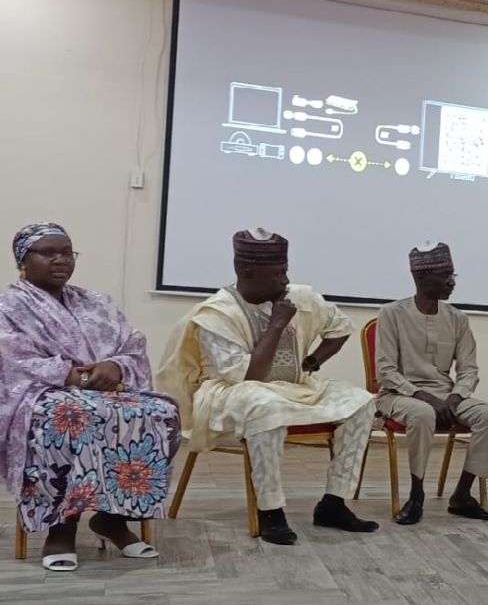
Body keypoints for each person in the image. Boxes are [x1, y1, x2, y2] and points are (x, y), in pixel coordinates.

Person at [156, 228, 378, 545]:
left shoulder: (299, 297)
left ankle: (334, 502)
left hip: (294, 387)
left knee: (361, 401)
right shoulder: (217, 312)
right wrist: (277, 323)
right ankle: (270, 511)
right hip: (229, 393)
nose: (284, 280)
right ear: (247, 272)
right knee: (265, 405)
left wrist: (312, 362)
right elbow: (250, 375)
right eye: (276, 274)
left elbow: (340, 327)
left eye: (284, 271)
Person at [0, 223, 179, 571]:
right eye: (48, 253)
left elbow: (132, 343)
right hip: (42, 394)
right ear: (23, 259)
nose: (61, 260)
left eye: (67, 252)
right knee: (68, 415)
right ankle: (61, 527)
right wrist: (66, 375)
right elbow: (11, 357)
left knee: (159, 412)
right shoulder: (8, 305)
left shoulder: (96, 302)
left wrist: (117, 365)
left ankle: (114, 517)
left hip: (102, 392)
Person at [375, 242, 488, 525]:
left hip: (447, 396)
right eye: (445, 275)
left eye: (453, 275)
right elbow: (385, 371)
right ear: (421, 278)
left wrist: (455, 398)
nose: (451, 282)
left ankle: (462, 495)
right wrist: (426, 397)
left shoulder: (457, 318)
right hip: (398, 395)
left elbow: (469, 369)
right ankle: (417, 494)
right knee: (422, 413)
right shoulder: (391, 313)